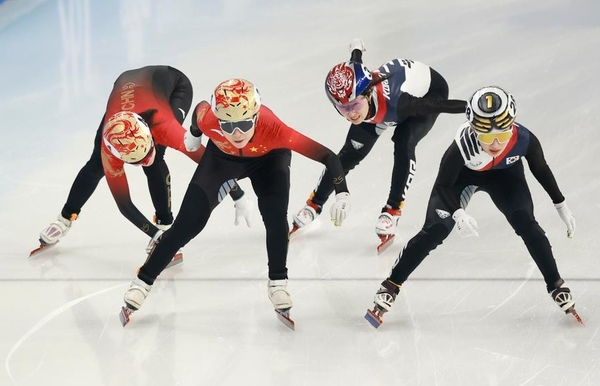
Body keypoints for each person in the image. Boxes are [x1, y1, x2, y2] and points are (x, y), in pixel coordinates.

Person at [120, 78, 351, 326]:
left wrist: (342, 192)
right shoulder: (210, 119)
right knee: (186, 225)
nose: (237, 133)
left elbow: (328, 156)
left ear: (255, 116)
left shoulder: (275, 128)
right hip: (222, 160)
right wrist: (195, 134)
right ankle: (142, 283)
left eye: (243, 124)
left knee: (274, 217)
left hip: (270, 159)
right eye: (228, 126)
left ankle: (278, 284)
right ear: (218, 120)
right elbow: (199, 111)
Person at [365, 86, 580, 327]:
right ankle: (392, 284)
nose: (496, 143)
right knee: (435, 231)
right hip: (461, 179)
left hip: (505, 176)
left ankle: (556, 284)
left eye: (503, 134)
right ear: (475, 131)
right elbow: (444, 186)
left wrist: (561, 205)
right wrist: (457, 213)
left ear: (512, 126)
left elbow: (540, 169)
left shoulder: (524, 139)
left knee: (527, 224)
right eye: (487, 137)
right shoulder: (462, 146)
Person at [36, 66, 250, 255]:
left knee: (156, 162)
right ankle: (65, 219)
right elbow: (124, 204)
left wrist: (237, 194)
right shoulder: (108, 149)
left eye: (145, 152)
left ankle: (166, 222)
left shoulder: (166, 128)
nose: (143, 161)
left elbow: (211, 162)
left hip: (174, 85)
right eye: (135, 161)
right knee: (95, 165)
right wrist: (154, 235)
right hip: (126, 88)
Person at [291, 39, 467, 249]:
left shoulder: (400, 104)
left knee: (403, 143)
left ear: (367, 92)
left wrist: (474, 109)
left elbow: (439, 105)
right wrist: (356, 49)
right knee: (349, 154)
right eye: (343, 108)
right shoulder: (356, 93)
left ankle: (392, 211)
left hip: (429, 93)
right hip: (382, 104)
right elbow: (355, 62)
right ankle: (314, 204)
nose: (351, 114)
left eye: (354, 105)